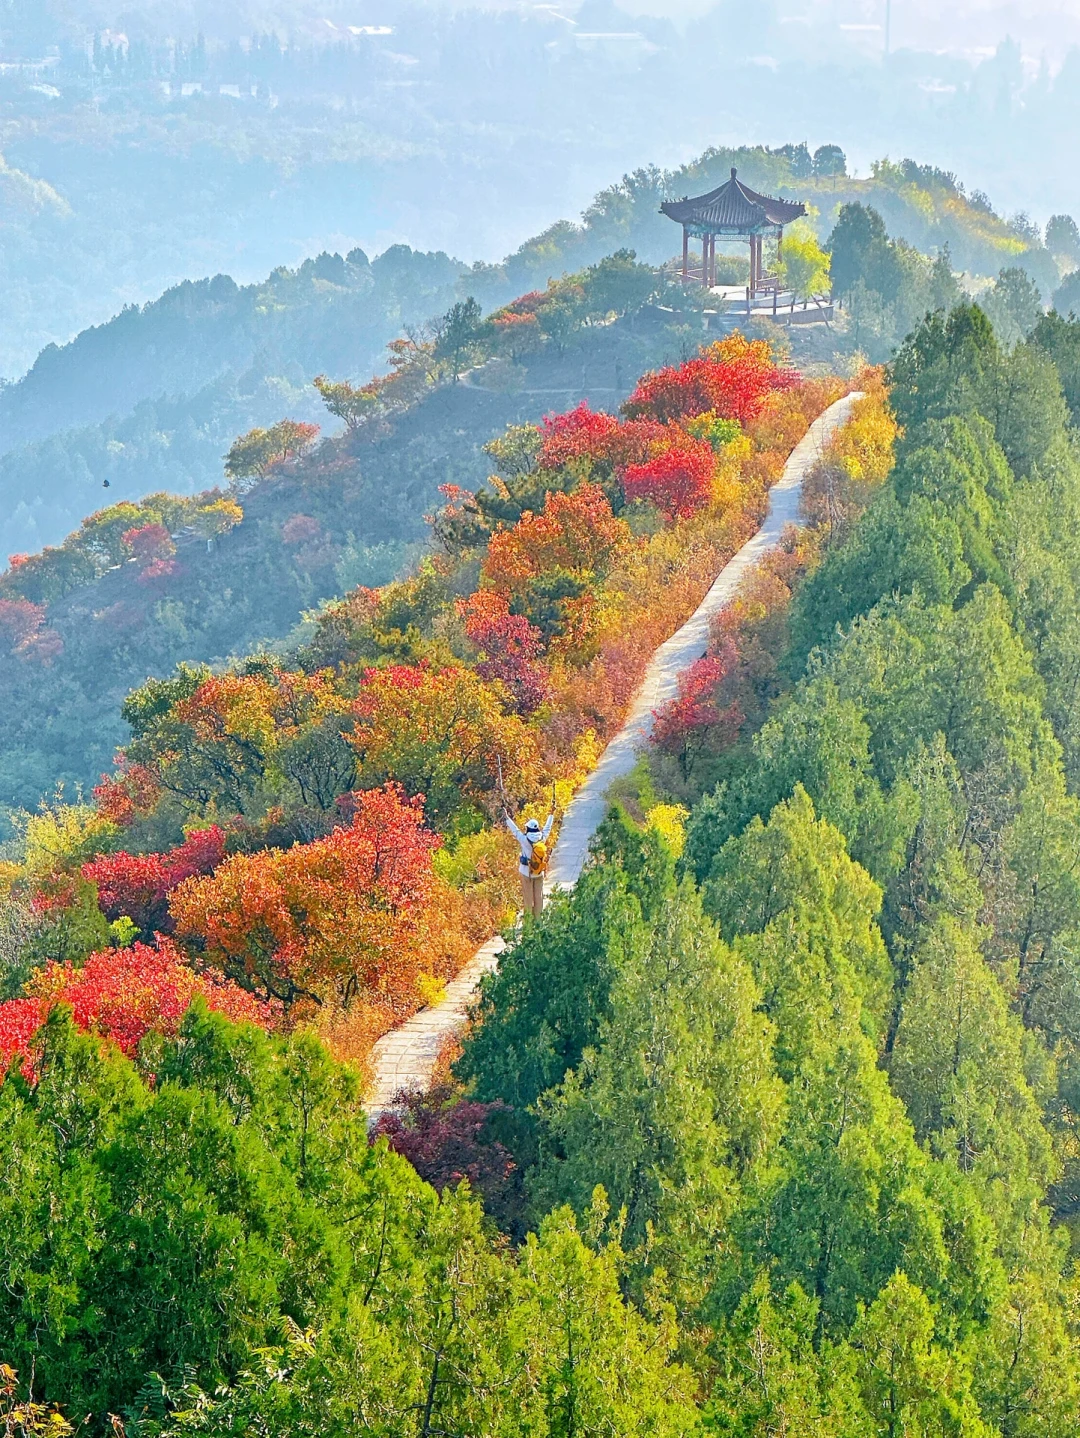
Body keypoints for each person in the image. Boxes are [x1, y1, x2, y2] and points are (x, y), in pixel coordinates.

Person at [504, 805, 554, 918]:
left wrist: (507, 818)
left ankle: (528, 925)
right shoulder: (542, 838)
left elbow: (515, 831)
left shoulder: (525, 839)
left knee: (528, 899)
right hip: (539, 872)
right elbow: (547, 828)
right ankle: (538, 922)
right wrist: (551, 814)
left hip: (526, 873)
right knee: (539, 898)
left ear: (528, 829)